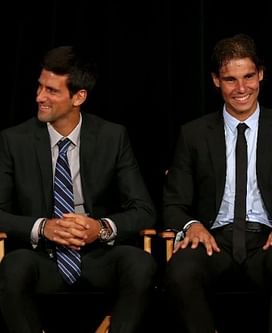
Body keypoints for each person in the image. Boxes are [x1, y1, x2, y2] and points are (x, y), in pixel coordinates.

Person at [163, 33, 272, 333]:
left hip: (268, 239)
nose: (241, 88)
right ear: (215, 81)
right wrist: (192, 225)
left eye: (248, 76)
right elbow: (173, 204)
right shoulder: (194, 134)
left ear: (261, 74)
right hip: (214, 240)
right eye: (230, 79)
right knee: (180, 268)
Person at [0, 46, 157, 333]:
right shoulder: (14, 140)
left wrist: (101, 228)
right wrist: (42, 227)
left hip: (97, 256)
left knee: (140, 264)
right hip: (41, 257)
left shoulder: (112, 136)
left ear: (78, 97)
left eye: (51, 91)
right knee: (12, 267)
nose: (39, 97)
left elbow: (144, 211)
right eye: (39, 86)